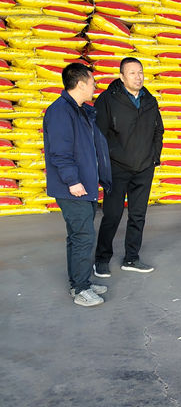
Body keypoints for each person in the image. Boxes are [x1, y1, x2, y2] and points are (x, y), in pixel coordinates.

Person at [43, 63, 112, 307]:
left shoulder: (82, 111)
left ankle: (80, 282)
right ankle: (81, 289)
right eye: (92, 82)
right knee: (83, 237)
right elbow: (60, 152)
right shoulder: (61, 112)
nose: (95, 87)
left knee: (77, 237)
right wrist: (72, 181)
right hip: (73, 187)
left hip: (85, 185)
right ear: (81, 84)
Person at [93, 57, 163, 277]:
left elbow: (158, 130)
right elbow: (99, 133)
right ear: (122, 76)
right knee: (112, 215)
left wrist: (154, 157)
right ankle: (101, 259)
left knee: (138, 215)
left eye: (140, 72)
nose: (138, 77)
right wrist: (107, 161)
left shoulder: (149, 100)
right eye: (132, 73)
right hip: (117, 168)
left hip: (144, 167)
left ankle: (132, 258)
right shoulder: (108, 99)